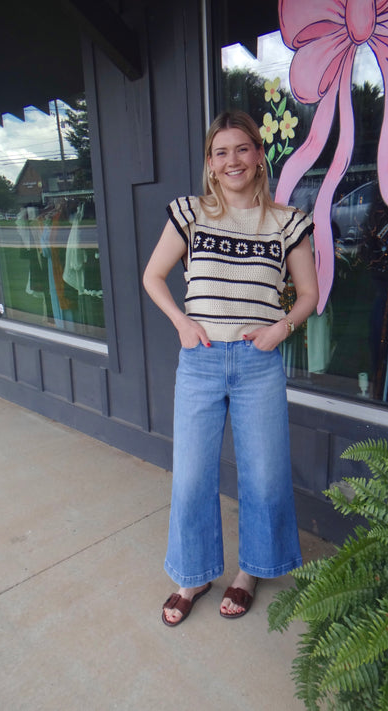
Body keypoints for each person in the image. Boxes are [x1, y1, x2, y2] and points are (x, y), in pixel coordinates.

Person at [143, 110, 319, 626]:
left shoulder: (288, 221)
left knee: (264, 477)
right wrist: (181, 322)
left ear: (259, 156)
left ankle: (252, 571)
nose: (232, 160)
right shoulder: (190, 213)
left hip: (257, 362)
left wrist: (278, 330)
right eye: (221, 152)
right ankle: (193, 575)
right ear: (210, 163)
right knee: (193, 477)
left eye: (242, 148)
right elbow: (154, 276)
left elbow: (308, 293)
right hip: (200, 361)